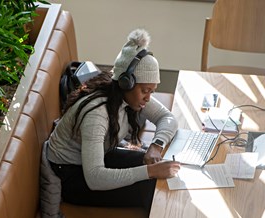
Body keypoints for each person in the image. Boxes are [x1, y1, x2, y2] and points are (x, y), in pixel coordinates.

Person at [45, 28, 180, 216]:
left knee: (157, 173)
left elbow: (168, 118)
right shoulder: (96, 115)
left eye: (152, 91)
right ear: (127, 83)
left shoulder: (127, 94)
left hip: (98, 156)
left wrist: (156, 145)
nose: (148, 98)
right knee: (149, 185)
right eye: (145, 90)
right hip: (72, 176)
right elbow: (95, 178)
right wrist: (150, 171)